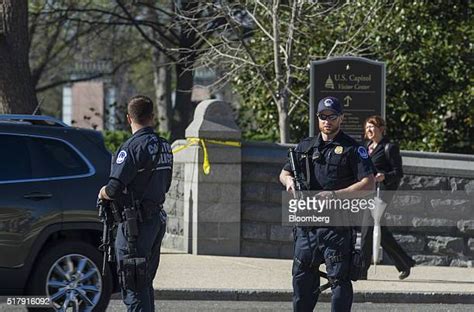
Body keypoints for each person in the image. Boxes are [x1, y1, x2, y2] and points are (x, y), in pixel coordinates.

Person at [279, 96, 375, 312]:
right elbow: (284, 172)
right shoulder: (305, 146)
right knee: (302, 279)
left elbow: (368, 184)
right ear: (318, 118)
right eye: (323, 116)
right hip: (307, 227)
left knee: (339, 280)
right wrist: (289, 181)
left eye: (332, 116)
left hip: (337, 227)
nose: (327, 121)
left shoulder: (352, 149)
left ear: (341, 118)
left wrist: (335, 195)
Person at [98, 95, 173, 311]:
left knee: (133, 284)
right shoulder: (164, 146)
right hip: (155, 221)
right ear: (152, 117)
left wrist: (102, 193)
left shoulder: (131, 147)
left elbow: (113, 188)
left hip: (134, 227)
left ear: (129, 118)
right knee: (144, 282)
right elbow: (166, 184)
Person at [360, 115, 416, 280]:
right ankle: (404, 262)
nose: (369, 130)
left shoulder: (389, 148)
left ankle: (361, 270)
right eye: (367, 127)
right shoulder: (367, 147)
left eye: (373, 127)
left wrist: (384, 176)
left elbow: (398, 173)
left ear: (381, 129)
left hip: (382, 193)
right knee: (380, 231)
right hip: (368, 192)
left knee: (367, 228)